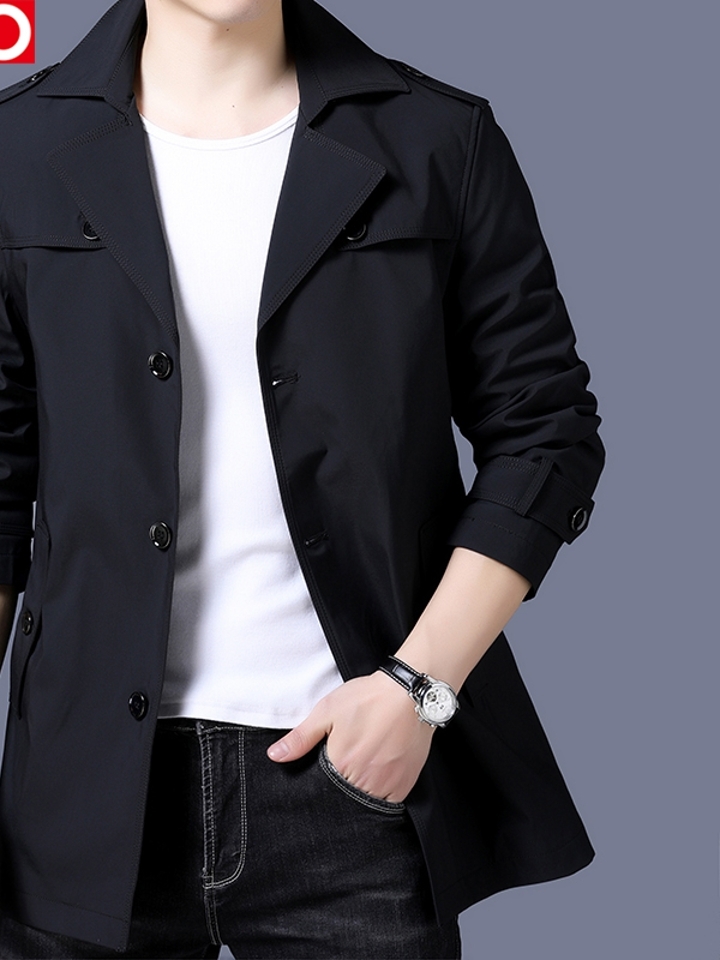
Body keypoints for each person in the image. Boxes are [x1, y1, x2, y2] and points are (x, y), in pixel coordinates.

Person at [0, 0, 605, 956]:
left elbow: (546, 432)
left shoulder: (438, 137)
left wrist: (418, 687)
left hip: (354, 789)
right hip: (81, 798)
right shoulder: (19, 148)